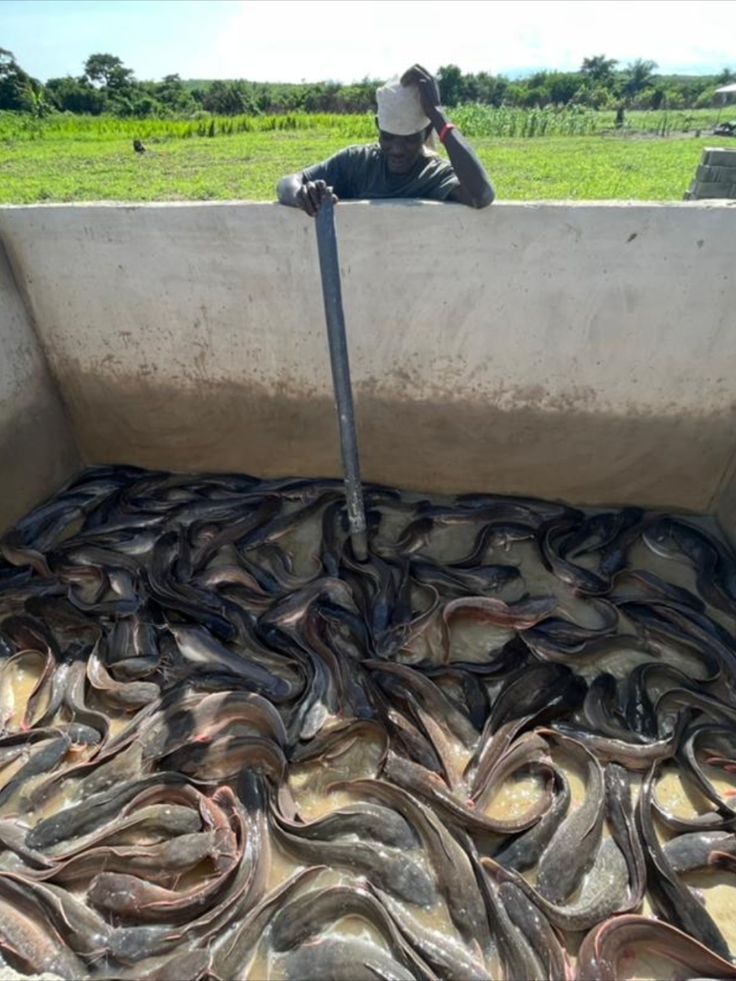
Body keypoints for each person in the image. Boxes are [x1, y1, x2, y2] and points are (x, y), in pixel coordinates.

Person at [277, 65, 494, 216]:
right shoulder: (356, 163)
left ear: (427, 133)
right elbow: (287, 182)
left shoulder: (433, 175)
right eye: (387, 137)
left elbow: (482, 195)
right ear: (377, 128)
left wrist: (437, 114)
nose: (397, 150)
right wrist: (301, 195)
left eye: (409, 140)